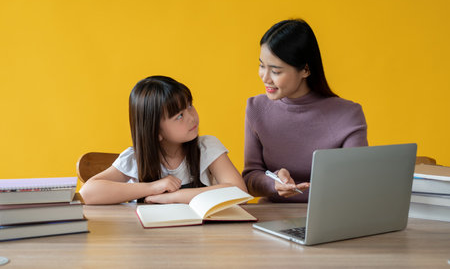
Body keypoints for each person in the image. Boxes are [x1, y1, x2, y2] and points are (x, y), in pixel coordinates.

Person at [242, 19, 368, 203]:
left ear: (305, 70)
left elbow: (357, 183)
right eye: (262, 65)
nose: (265, 77)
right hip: (271, 218)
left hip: (331, 216)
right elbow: (250, 179)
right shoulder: (256, 108)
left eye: (276, 71)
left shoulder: (349, 115)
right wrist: (274, 182)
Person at [80, 76, 247, 204]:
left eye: (190, 105)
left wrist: (175, 197)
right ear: (155, 131)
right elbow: (87, 193)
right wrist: (152, 187)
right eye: (179, 116)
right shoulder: (135, 159)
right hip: (148, 242)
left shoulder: (206, 147)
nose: (191, 118)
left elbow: (239, 191)